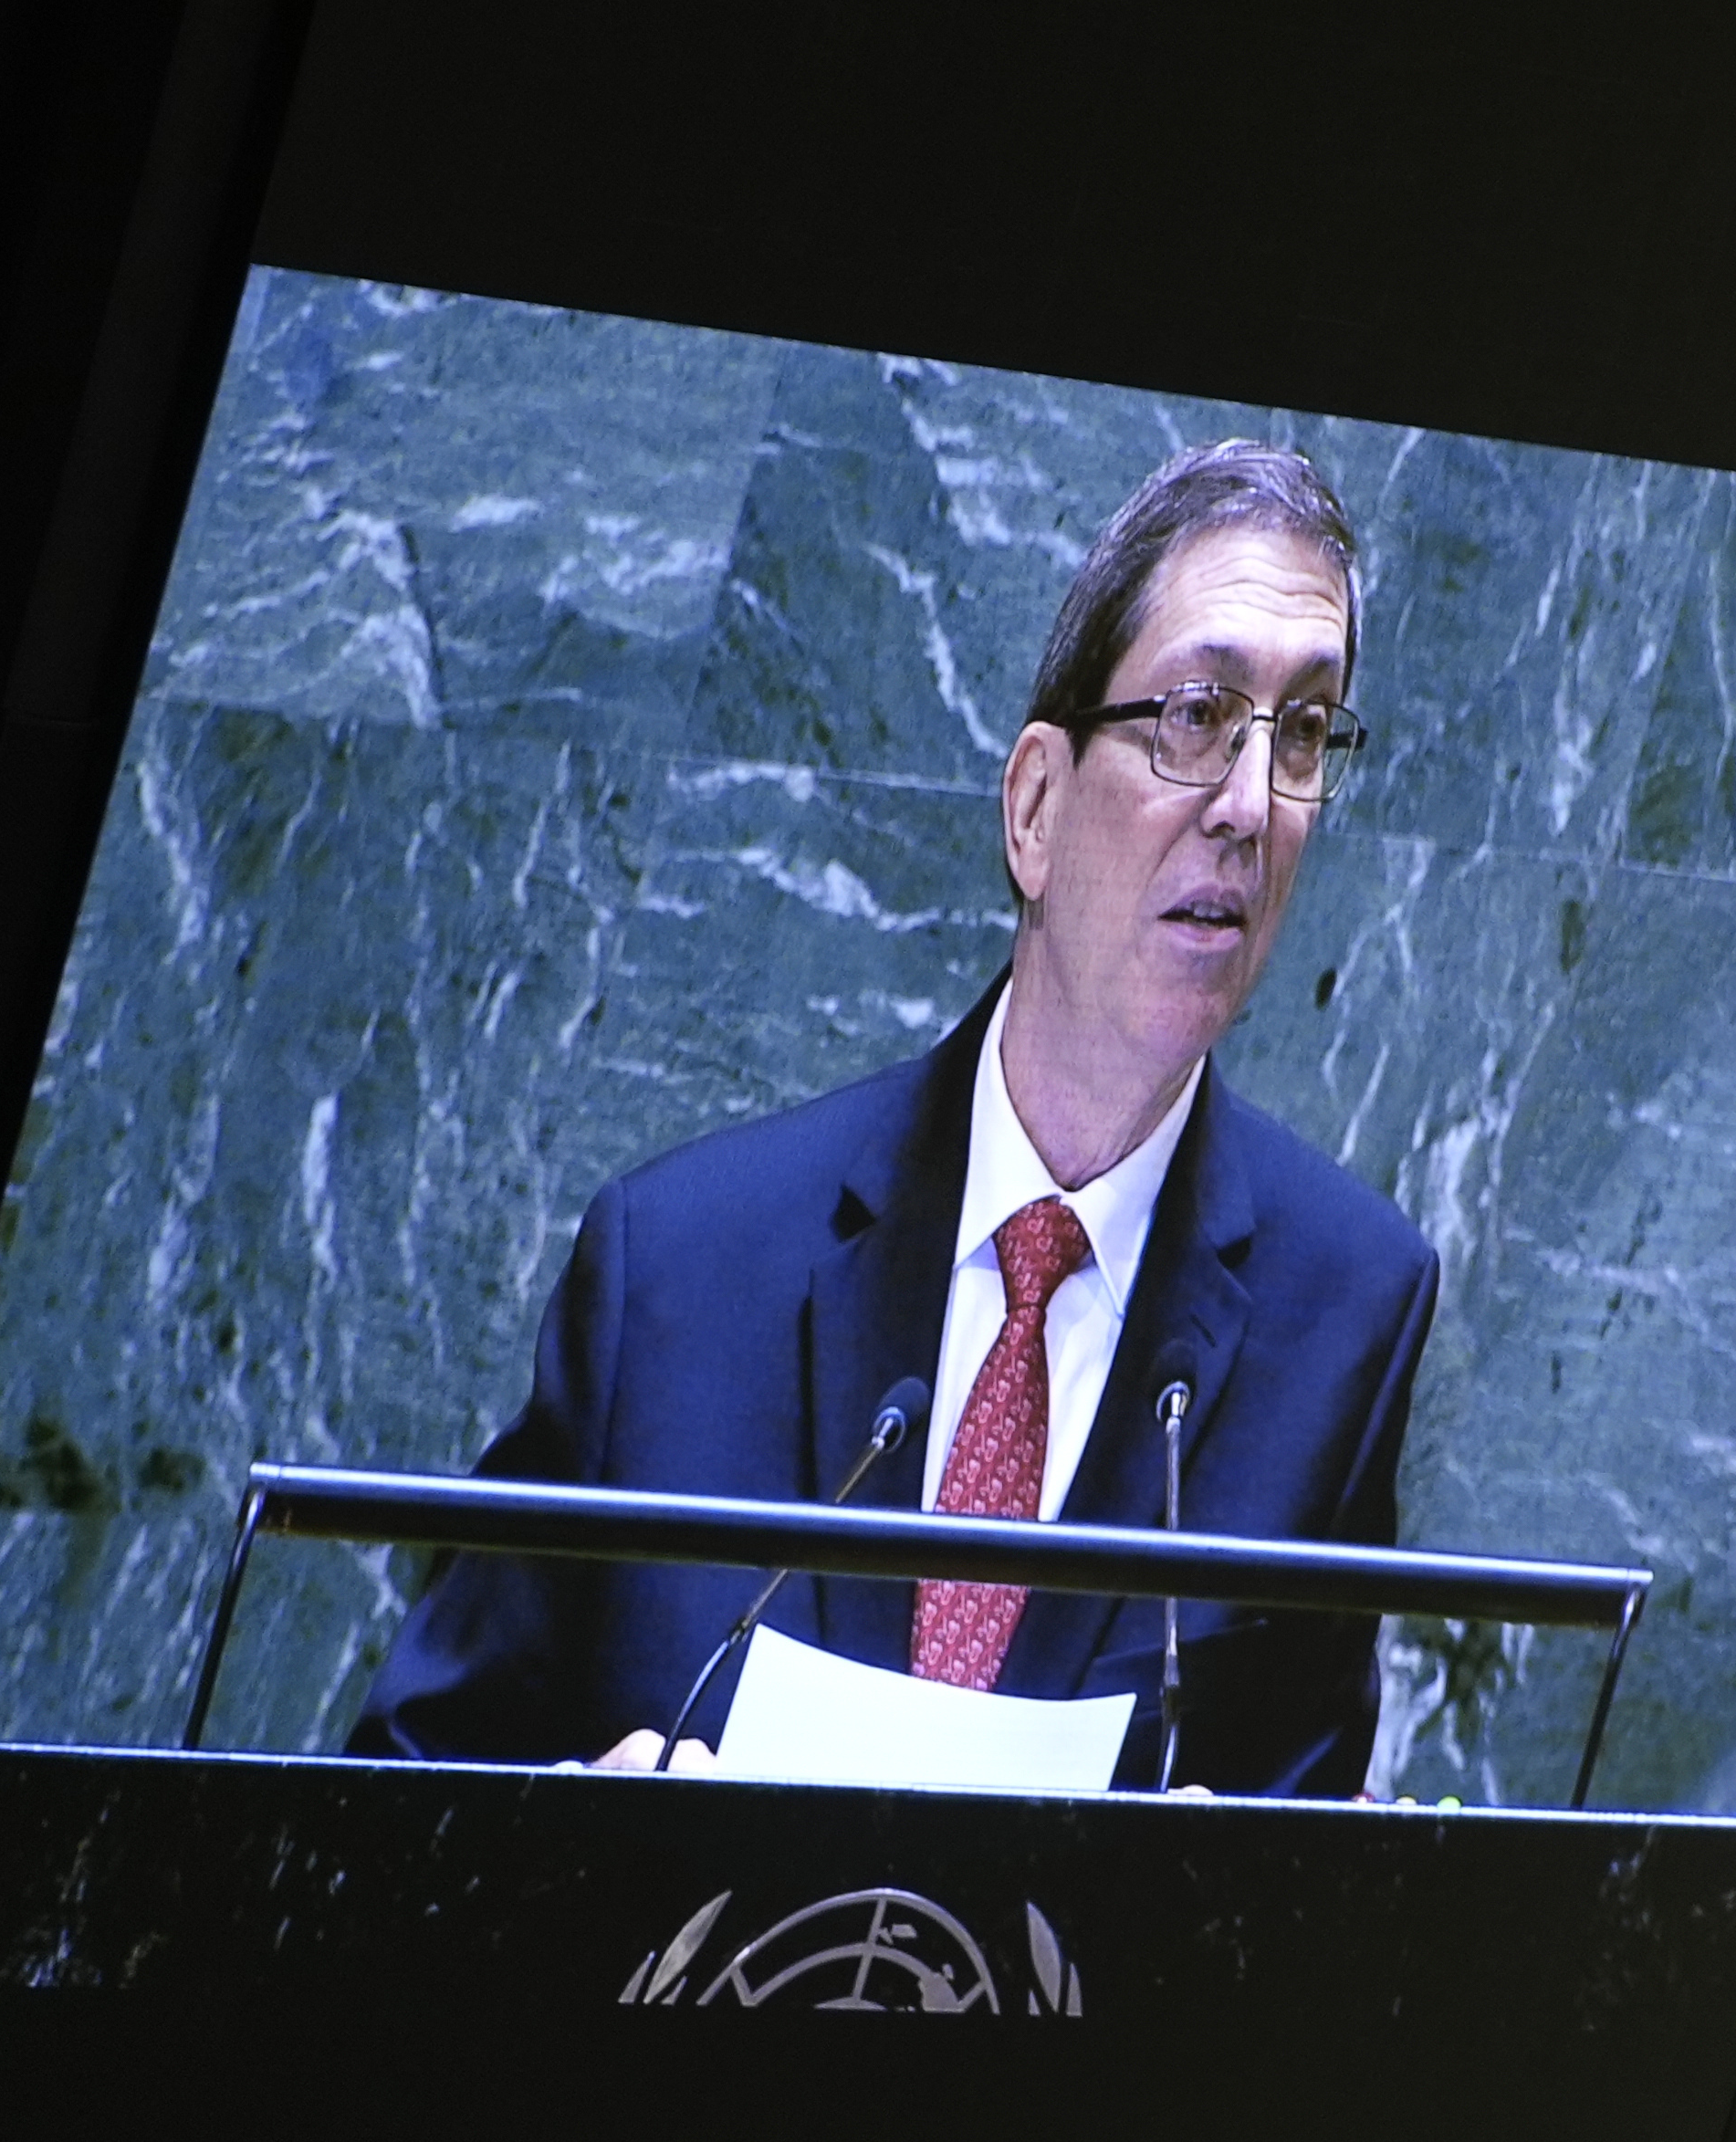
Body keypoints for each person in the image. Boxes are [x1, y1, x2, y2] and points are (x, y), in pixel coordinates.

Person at [352, 442, 1439, 1797]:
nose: (1246, 807)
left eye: (1303, 734)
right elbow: (400, 1789)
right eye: (1199, 715)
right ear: (1035, 806)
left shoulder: (1346, 1310)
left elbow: (1305, 1859)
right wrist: (579, 1824)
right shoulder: (678, 1269)